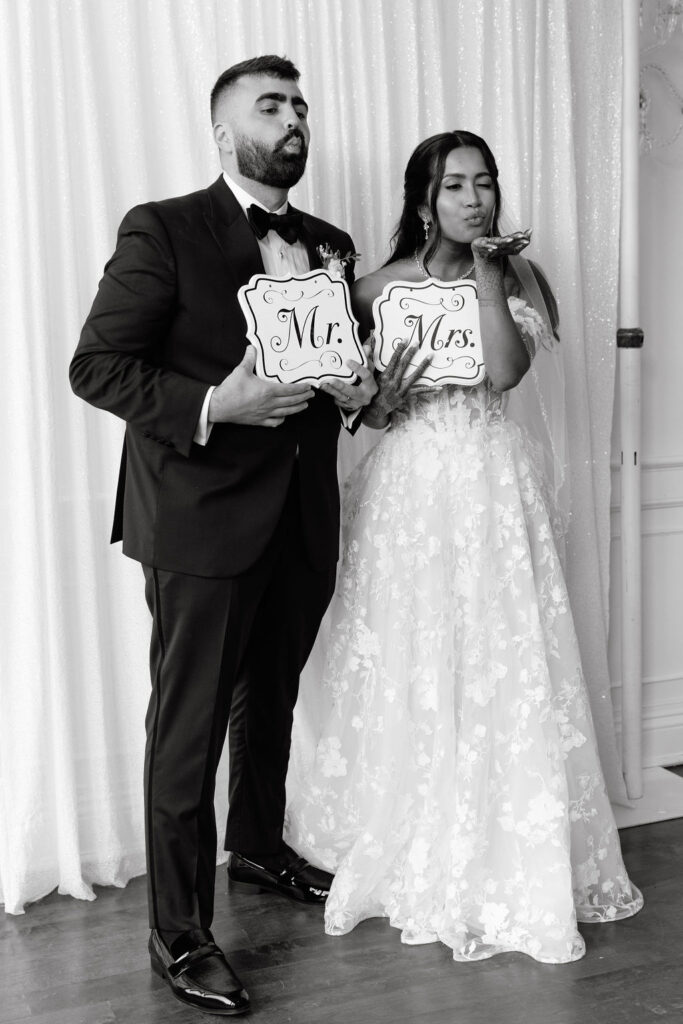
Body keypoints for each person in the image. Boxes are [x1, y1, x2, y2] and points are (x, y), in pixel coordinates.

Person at [285, 130, 643, 965]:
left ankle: (500, 828)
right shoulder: (371, 288)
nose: (475, 198)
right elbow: (358, 407)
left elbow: (507, 371)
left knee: (496, 650)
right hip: (406, 485)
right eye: (455, 186)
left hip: (487, 477)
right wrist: (377, 401)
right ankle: (407, 822)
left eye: (484, 183)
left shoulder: (517, 279)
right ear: (423, 202)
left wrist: (487, 275)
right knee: (412, 647)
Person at [69, 55, 376, 1017]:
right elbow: (96, 365)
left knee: (272, 691)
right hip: (198, 517)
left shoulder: (330, 242)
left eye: (299, 107)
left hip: (300, 515)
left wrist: (358, 389)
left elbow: (333, 374)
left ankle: (256, 849)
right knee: (188, 723)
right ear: (222, 132)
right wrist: (215, 403)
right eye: (270, 106)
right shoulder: (161, 228)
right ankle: (178, 928)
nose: (292, 120)